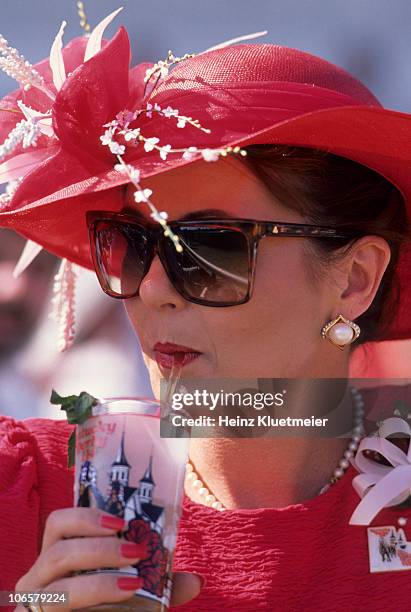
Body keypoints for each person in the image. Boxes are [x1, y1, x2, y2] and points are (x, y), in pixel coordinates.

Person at [1, 9, 411, 611]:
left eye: (209, 246)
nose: (152, 290)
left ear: (354, 279)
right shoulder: (23, 494)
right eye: (129, 243)